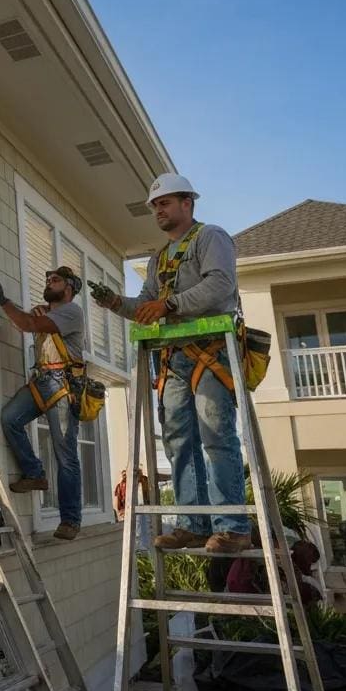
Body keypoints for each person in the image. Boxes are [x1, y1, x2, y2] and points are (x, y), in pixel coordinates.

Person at [91, 173, 251, 554]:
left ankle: (233, 525)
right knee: (179, 441)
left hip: (211, 351)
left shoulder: (211, 237)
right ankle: (192, 524)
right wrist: (116, 302)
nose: (158, 211)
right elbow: (147, 306)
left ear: (187, 204)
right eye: (155, 206)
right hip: (175, 357)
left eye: (164, 203)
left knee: (216, 436)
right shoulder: (159, 258)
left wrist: (171, 304)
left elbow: (220, 284)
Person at [0, 266, 85, 542]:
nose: (49, 282)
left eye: (55, 280)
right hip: (43, 380)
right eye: (48, 278)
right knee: (10, 418)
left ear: (69, 288)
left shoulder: (71, 312)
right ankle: (34, 472)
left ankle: (70, 519)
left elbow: (28, 324)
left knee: (65, 454)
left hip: (63, 385)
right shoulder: (47, 312)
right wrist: (21, 309)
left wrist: (3, 300)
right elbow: (29, 319)